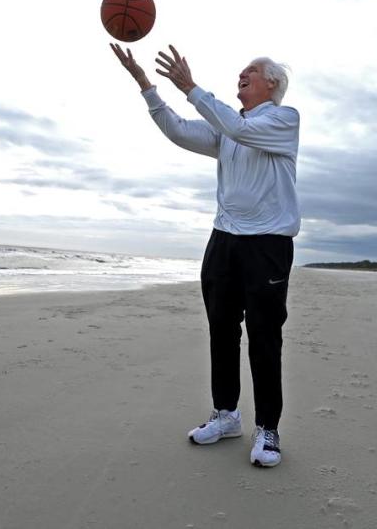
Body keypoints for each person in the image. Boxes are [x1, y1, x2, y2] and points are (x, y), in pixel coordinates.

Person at [110, 43, 300, 468]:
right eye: (239, 73)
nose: (240, 77)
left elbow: (239, 130)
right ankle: (226, 415)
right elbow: (178, 129)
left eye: (249, 72)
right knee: (221, 330)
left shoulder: (283, 120)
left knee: (265, 338)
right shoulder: (229, 127)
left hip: (268, 243)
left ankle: (267, 429)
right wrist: (147, 85)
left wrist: (192, 87)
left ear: (273, 83)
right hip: (224, 240)